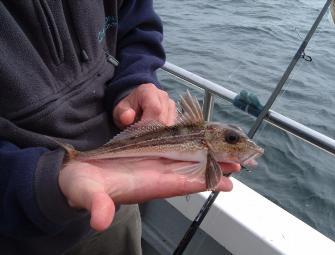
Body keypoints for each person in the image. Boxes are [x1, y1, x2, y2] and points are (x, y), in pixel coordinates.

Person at [0, 1, 240, 254]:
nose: (235, 143)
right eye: (232, 139)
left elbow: (136, 23)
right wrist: (45, 181)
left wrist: (135, 81)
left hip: (119, 198)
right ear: (209, 139)